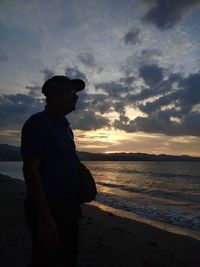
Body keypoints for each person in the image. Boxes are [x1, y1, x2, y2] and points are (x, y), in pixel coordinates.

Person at [21, 75, 85, 267]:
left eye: (77, 93)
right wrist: (44, 217)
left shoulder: (66, 128)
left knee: (67, 259)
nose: (76, 97)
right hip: (49, 207)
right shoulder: (38, 123)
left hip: (68, 208)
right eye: (71, 92)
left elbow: (66, 162)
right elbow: (31, 170)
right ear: (53, 93)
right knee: (46, 260)